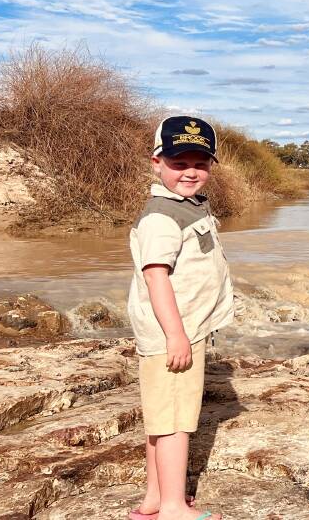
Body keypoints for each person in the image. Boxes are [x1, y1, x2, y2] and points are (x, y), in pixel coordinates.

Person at [127, 116, 232, 520]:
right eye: (178, 162)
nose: (191, 171)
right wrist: (176, 335)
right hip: (173, 333)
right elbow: (156, 278)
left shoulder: (185, 205)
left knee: (162, 416)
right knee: (175, 424)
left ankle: (155, 499)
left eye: (200, 163)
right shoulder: (161, 217)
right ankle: (173, 508)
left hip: (182, 329)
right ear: (156, 163)